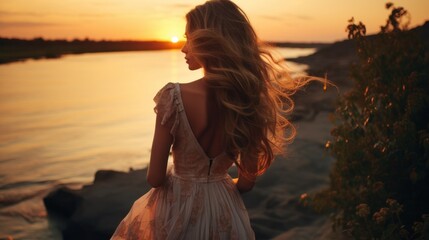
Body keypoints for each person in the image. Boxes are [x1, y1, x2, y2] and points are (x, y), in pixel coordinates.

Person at [111, 0, 323, 239]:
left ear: (207, 41)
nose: (183, 48)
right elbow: (246, 183)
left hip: (177, 207)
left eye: (188, 38)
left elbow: (155, 178)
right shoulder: (250, 101)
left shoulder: (173, 97)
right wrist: (215, 186)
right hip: (225, 207)